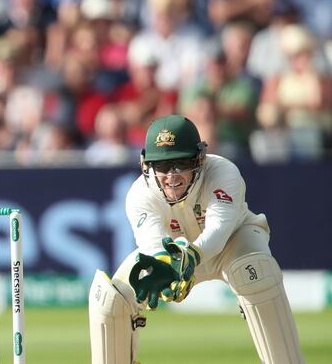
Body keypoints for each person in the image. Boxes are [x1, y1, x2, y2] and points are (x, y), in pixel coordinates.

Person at [88, 114, 304, 364]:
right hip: (176, 255)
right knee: (111, 297)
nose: (172, 176)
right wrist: (168, 264)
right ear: (146, 165)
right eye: (162, 166)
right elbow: (153, 243)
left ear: (199, 159)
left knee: (255, 271)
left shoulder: (223, 172)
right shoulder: (139, 195)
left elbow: (219, 231)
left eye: (180, 163)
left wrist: (188, 258)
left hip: (233, 243)